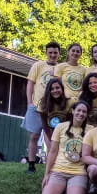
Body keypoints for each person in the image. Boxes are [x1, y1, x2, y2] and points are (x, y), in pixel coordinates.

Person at [40, 101, 93, 194]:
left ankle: (72, 190)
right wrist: (46, 174)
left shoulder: (91, 130)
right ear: (73, 111)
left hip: (78, 172)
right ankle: (62, 189)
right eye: (78, 110)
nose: (81, 114)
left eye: (84, 112)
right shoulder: (60, 127)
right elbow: (53, 151)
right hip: (58, 170)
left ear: (87, 114)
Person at [22, 41, 60, 173]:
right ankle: (31, 165)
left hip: (53, 109)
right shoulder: (38, 65)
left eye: (55, 52)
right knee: (34, 136)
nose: (53, 55)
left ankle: (51, 167)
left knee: (51, 138)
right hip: (36, 106)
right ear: (46, 53)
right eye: (50, 52)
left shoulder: (61, 68)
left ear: (59, 54)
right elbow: (30, 84)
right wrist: (29, 102)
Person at [38, 78, 76, 151]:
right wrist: (52, 139)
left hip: (66, 132)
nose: (55, 90)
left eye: (57, 88)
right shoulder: (43, 104)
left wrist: (65, 138)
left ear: (62, 89)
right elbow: (45, 125)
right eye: (52, 89)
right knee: (52, 151)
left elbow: (70, 123)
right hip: (50, 131)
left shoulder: (70, 102)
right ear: (49, 91)